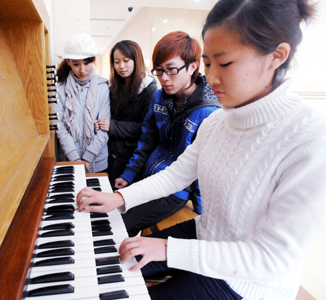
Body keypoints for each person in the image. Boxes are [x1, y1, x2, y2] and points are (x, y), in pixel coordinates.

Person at [76, 0, 326, 299]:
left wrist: (169, 248)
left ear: (276, 56)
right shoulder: (219, 122)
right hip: (206, 236)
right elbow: (176, 175)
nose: (211, 76)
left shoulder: (309, 138)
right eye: (208, 63)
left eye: (225, 63)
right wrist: (118, 197)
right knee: (103, 266)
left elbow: (273, 259)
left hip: (248, 282)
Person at [114, 32, 220, 236]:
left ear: (192, 67)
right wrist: (129, 174)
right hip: (149, 176)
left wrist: (200, 208)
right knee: (111, 213)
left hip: (176, 190)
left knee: (121, 225)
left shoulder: (209, 111)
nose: (164, 78)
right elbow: (147, 140)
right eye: (159, 70)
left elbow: (204, 168)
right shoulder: (158, 97)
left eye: (171, 70)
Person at [95, 40, 158, 188]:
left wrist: (112, 126)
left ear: (137, 60)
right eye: (116, 62)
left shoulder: (149, 88)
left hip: (133, 156)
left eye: (126, 60)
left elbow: (146, 129)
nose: (121, 66)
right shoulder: (112, 86)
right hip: (111, 153)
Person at [54, 33, 110, 173]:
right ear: (68, 62)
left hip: (98, 161)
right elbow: (59, 125)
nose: (82, 70)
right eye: (76, 64)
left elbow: (105, 127)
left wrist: (88, 157)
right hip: (68, 160)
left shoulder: (103, 87)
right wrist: (76, 159)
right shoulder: (59, 88)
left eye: (87, 63)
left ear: (93, 61)